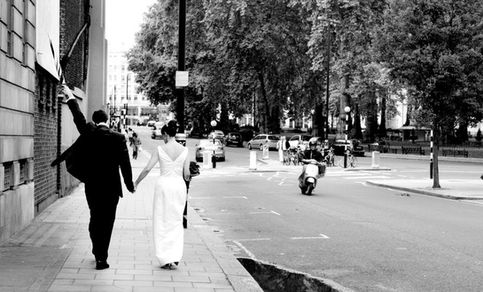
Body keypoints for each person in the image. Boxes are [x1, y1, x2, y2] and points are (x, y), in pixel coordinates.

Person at [60, 85, 135, 270]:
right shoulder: (118, 138)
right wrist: (130, 184)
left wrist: (70, 96)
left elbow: (78, 116)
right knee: (108, 220)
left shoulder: (89, 132)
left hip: (92, 186)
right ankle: (102, 256)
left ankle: (96, 249)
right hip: (112, 188)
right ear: (107, 120)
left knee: (95, 218)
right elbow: (125, 164)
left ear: (94, 121)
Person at [134, 120, 190, 270]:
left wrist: (136, 182)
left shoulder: (160, 149)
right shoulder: (184, 150)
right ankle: (175, 256)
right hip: (178, 186)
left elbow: (147, 169)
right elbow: (186, 175)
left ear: (166, 134)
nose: (163, 138)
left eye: (163, 135)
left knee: (162, 221)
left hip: (164, 186)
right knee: (176, 221)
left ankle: (165, 258)